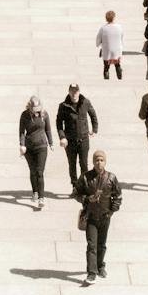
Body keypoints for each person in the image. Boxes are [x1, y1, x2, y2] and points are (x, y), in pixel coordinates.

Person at [72, 149, 123, 284]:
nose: (99, 163)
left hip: (105, 216)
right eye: (96, 160)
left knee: (102, 244)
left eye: (101, 160)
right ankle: (91, 273)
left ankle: (100, 266)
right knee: (91, 245)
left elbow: (117, 196)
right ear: (93, 162)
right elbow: (76, 193)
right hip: (91, 217)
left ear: (105, 162)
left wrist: (112, 210)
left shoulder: (111, 178)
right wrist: (87, 199)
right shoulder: (85, 177)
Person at [57, 83, 99, 185]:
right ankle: (75, 186)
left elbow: (93, 116)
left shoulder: (85, 102)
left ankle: (84, 185)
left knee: (84, 164)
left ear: (79, 92)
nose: (74, 94)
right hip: (70, 141)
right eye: (72, 91)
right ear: (69, 92)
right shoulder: (63, 106)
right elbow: (59, 123)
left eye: (76, 91)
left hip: (83, 139)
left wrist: (94, 129)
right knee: (72, 165)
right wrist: (62, 137)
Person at [18, 94, 54, 209]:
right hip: (29, 147)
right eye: (34, 110)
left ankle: (41, 198)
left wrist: (51, 142)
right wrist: (22, 145)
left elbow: (48, 129)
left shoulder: (44, 114)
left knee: (39, 172)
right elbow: (22, 132)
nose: (36, 112)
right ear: (29, 107)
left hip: (42, 146)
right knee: (33, 170)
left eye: (38, 110)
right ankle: (35, 192)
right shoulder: (24, 115)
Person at [95, 10, 124, 80]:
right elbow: (121, 38)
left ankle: (106, 79)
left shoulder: (103, 28)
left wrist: (98, 44)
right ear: (114, 18)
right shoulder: (119, 27)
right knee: (117, 65)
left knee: (106, 67)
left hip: (107, 51)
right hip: (117, 50)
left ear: (106, 18)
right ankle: (120, 77)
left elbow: (98, 39)